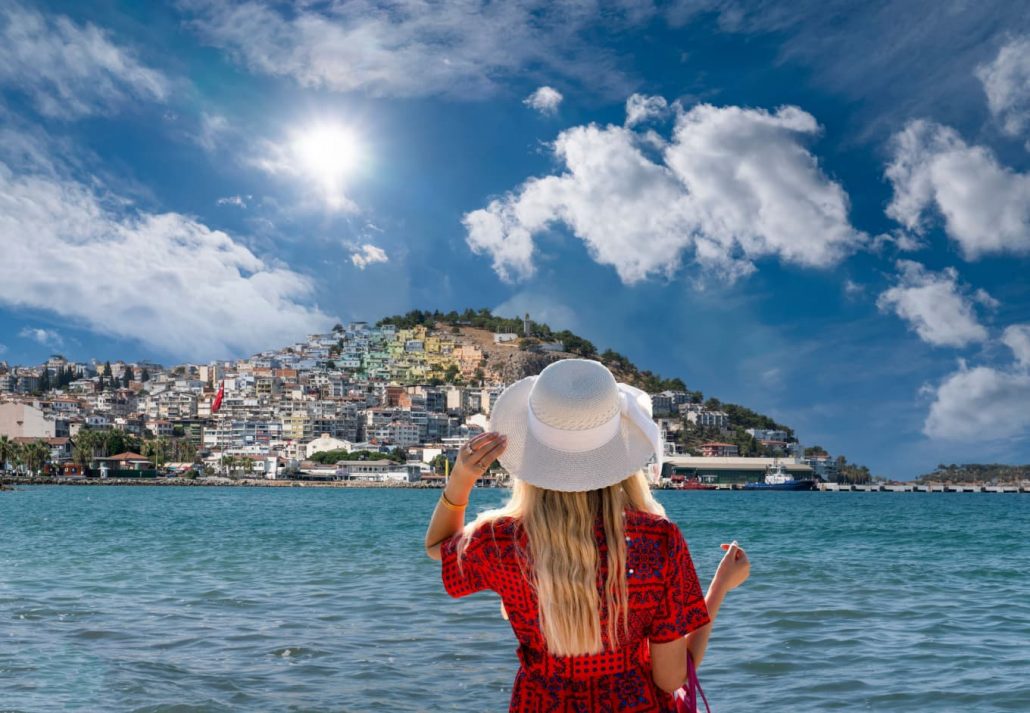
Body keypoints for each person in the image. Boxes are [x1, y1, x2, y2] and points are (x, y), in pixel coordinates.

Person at [425, 358, 750, 712]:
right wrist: (720, 587)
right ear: (619, 454)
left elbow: (438, 548)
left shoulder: (502, 540)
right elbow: (670, 680)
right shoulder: (658, 541)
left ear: (531, 452)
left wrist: (461, 478)